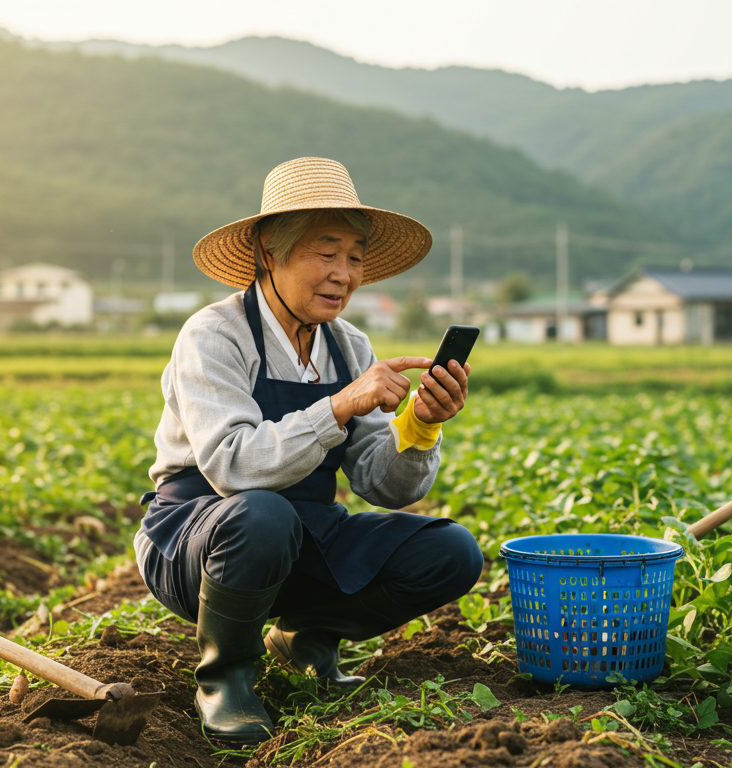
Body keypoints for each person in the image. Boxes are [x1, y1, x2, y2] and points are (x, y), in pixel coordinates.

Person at [134, 157, 484, 744]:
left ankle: (304, 636)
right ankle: (226, 681)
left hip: (304, 532)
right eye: (326, 253)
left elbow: (385, 485)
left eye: (355, 257)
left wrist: (419, 425)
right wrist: (340, 405)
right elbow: (234, 467)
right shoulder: (214, 335)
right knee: (263, 513)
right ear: (271, 252)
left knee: (451, 551)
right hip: (201, 535)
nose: (344, 274)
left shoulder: (349, 345)